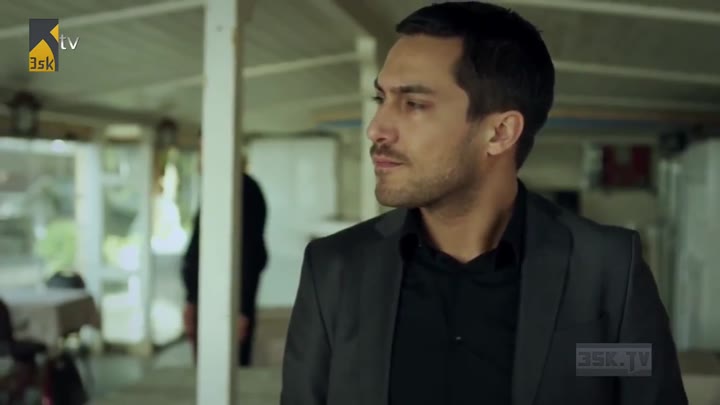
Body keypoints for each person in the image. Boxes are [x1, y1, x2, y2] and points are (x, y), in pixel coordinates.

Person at [281, 2, 687, 405]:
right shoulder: (335, 268)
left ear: (499, 133)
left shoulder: (606, 268)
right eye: (380, 99)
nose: (376, 129)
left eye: (414, 103)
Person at [181, 154, 268, 367]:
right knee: (207, 365)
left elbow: (249, 253)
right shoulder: (219, 187)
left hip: (226, 299)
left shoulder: (243, 190)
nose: (200, 160)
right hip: (207, 295)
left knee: (225, 365)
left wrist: (241, 309)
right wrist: (191, 299)